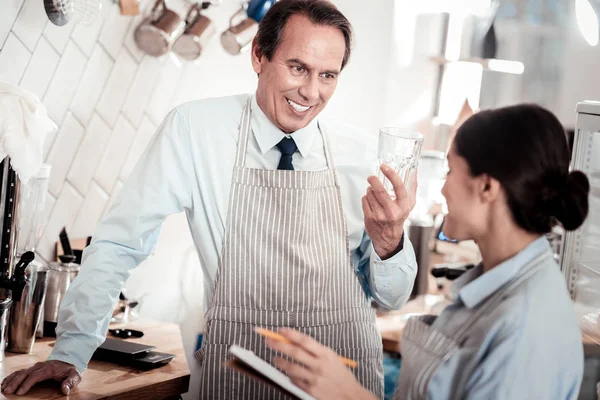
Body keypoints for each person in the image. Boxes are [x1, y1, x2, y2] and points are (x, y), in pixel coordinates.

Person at [1, 0, 418, 397]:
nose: (311, 91)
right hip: (240, 382)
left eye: (328, 75)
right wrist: (72, 350)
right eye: (298, 67)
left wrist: (390, 243)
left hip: (344, 385)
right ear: (258, 56)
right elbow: (118, 243)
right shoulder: (194, 130)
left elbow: (392, 298)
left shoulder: (363, 156)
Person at [264, 103, 590, 400]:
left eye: (450, 171)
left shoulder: (524, 330)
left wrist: (347, 395)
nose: (443, 187)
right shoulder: (494, 290)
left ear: (487, 187)